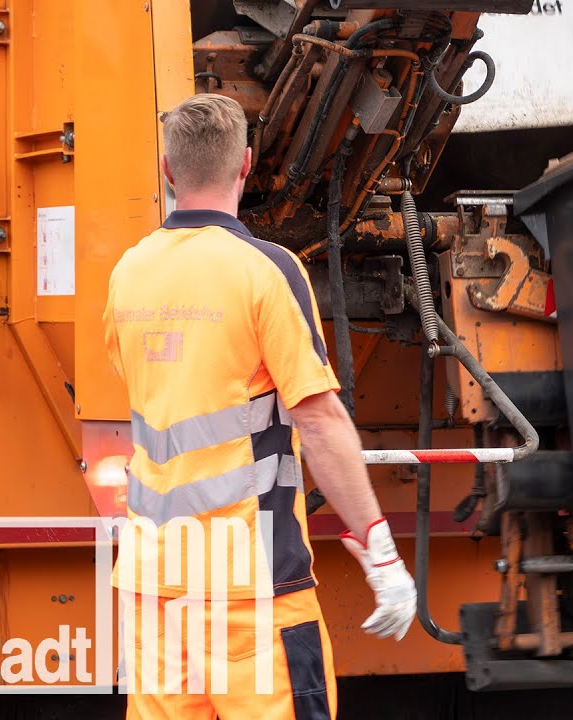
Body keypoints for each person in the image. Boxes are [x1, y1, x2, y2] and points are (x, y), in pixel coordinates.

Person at [102, 93, 416, 718]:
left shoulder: (128, 274)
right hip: (250, 589)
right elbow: (320, 421)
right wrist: (382, 554)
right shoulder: (266, 272)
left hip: (153, 585)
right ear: (246, 164)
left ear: (169, 170)